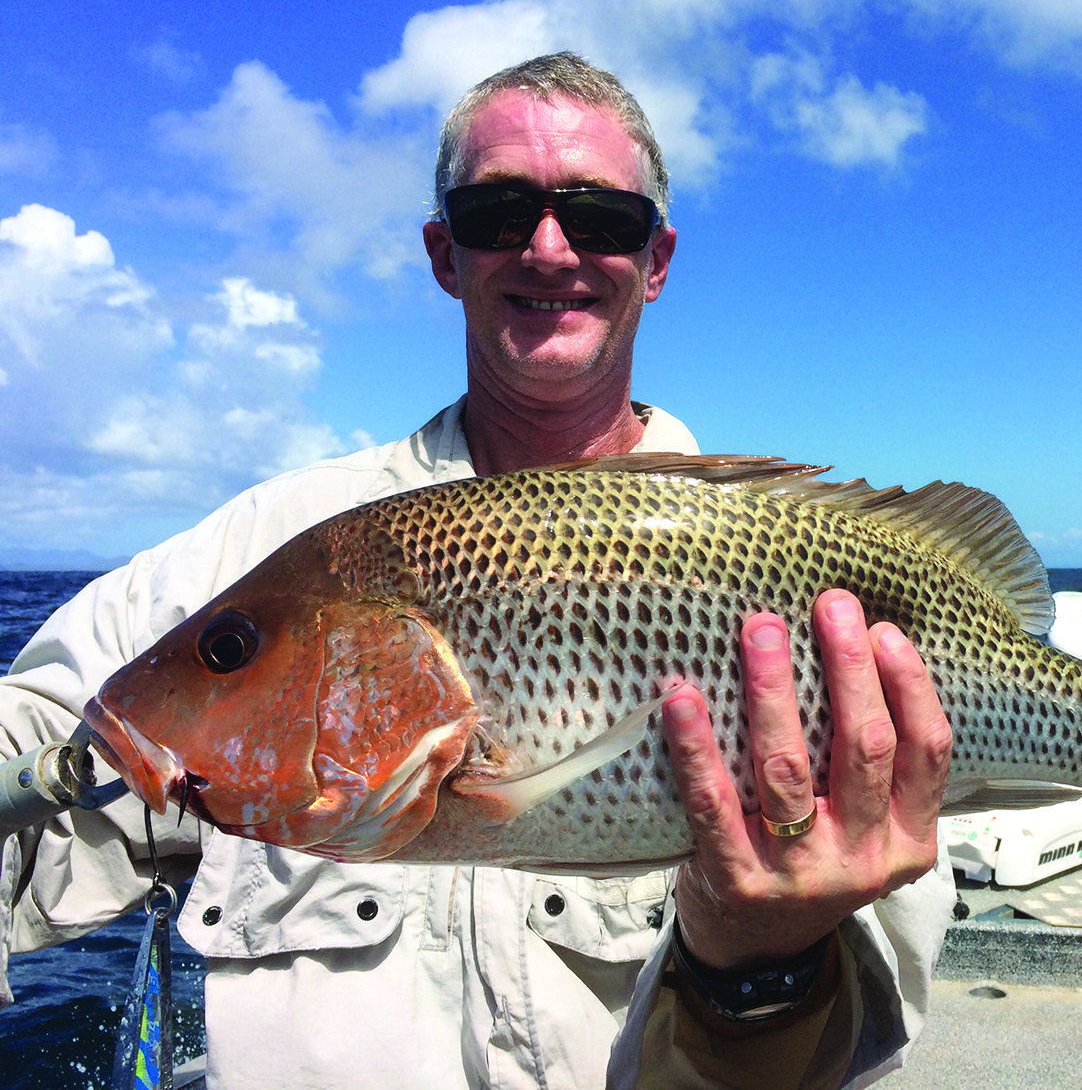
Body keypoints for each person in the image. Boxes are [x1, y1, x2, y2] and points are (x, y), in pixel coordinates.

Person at [0, 53, 958, 1089]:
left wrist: (764, 956)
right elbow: (43, 740)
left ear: (659, 257)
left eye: (600, 217)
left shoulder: (803, 579)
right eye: (501, 210)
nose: (550, 247)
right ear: (444, 250)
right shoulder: (266, 550)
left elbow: (847, 1046)